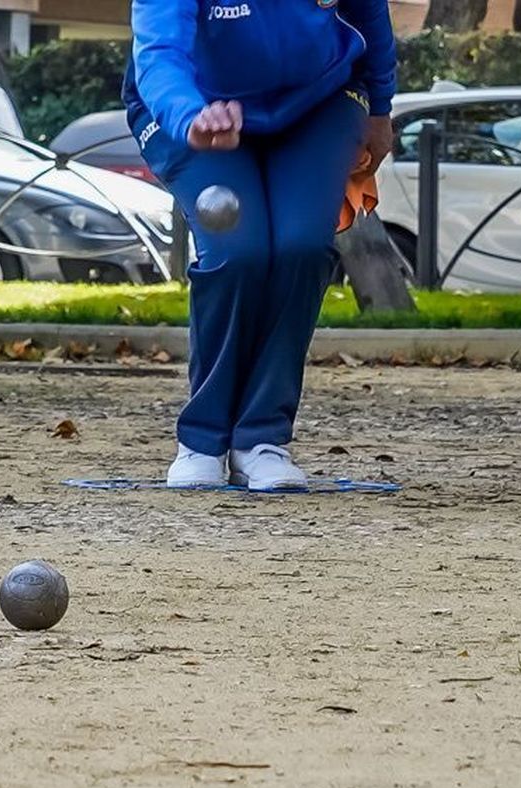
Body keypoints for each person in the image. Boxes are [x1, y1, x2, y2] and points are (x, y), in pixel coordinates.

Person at [123, 0, 397, 490]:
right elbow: (160, 52)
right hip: (196, 106)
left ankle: (262, 439)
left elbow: (369, 12)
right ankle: (202, 439)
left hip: (320, 99)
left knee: (301, 246)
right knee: (239, 252)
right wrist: (191, 117)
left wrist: (380, 106)